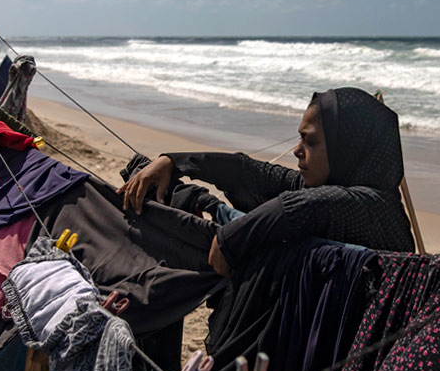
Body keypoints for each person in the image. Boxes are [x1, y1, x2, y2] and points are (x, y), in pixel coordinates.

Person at [117, 87, 415, 276]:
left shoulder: (377, 210)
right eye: (300, 139)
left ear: (347, 148)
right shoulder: (318, 187)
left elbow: (300, 208)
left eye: (310, 142)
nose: (298, 151)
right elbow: (249, 172)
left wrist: (231, 239)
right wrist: (173, 162)